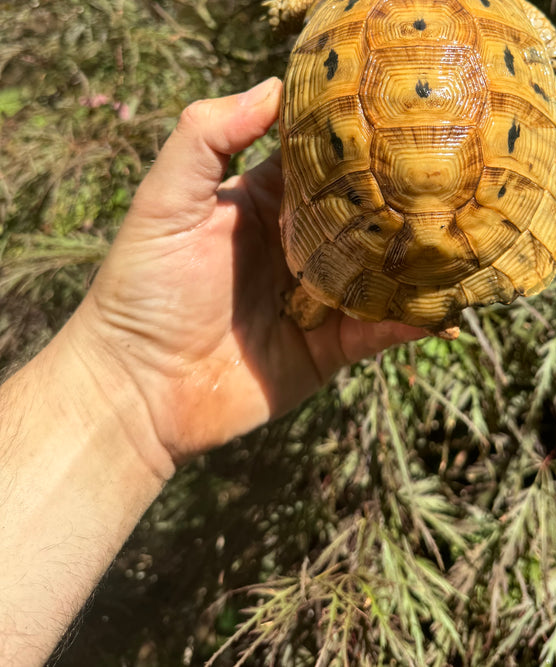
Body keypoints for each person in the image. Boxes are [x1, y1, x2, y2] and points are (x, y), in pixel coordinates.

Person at [0, 78, 428, 667]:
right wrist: (126, 376)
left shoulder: (308, 277)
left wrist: (120, 379)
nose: (301, 308)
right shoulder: (306, 290)